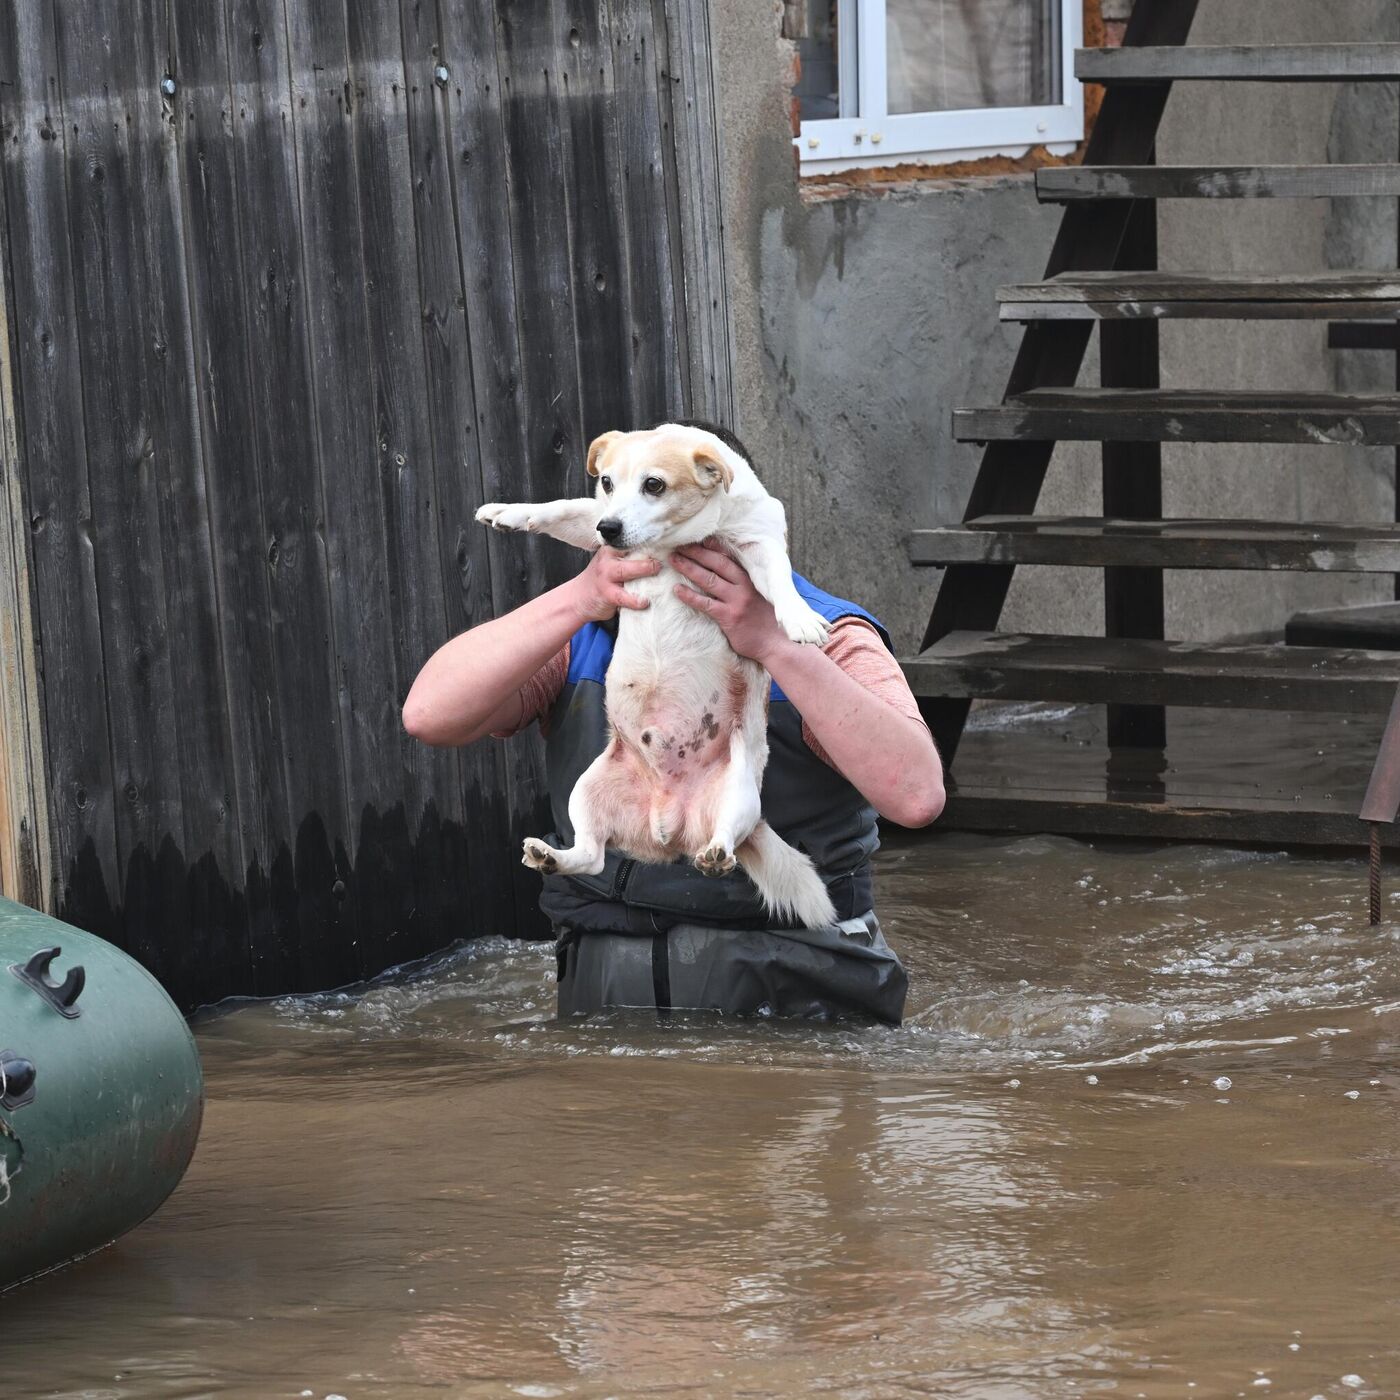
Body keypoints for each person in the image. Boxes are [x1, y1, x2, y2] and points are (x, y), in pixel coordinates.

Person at [403, 466, 945, 1023]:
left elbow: (917, 796)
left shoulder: (826, 634)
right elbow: (428, 716)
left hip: (799, 1004)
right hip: (611, 1012)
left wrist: (772, 642)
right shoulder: (591, 629)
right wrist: (579, 597)